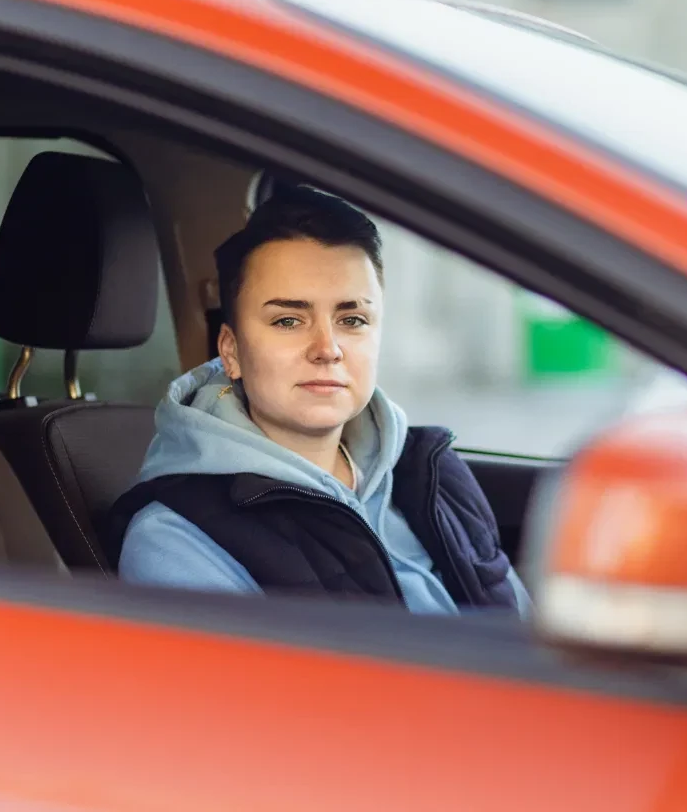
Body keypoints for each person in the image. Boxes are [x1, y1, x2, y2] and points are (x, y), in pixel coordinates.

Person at [110, 180, 532, 616]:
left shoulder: (431, 469)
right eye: (289, 320)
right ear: (231, 352)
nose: (327, 348)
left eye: (352, 319)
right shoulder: (177, 540)